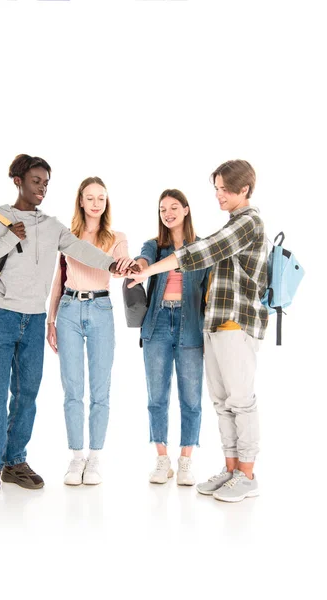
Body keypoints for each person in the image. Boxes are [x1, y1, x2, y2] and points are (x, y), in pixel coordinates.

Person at [0, 155, 123, 500]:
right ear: (18, 181)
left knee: (27, 395)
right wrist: (8, 238)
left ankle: (15, 461)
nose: (42, 189)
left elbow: (80, 249)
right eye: (36, 181)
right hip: (0, 318)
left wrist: (114, 265)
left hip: (34, 320)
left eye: (46, 183)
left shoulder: (52, 226)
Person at [127, 160, 268, 502]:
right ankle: (231, 469)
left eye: (224, 188)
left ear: (243, 189)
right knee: (221, 403)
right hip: (214, 325)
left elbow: (199, 253)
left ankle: (247, 475)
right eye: (216, 188)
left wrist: (148, 273)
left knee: (240, 401)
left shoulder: (248, 222)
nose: (218, 195)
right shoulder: (231, 223)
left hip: (237, 323)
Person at [47, 177, 137, 486]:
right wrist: (51, 320)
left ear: (106, 202)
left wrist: (125, 262)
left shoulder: (116, 236)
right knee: (72, 390)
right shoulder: (67, 236)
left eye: (101, 197)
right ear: (81, 201)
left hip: (100, 310)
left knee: (100, 390)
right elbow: (59, 279)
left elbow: (122, 258)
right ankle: (76, 458)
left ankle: (95, 457)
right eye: (90, 197)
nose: (96, 202)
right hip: (69, 311)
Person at [134, 190, 209, 485]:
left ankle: (186, 460)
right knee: (157, 397)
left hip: (191, 324)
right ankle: (162, 459)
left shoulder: (202, 247)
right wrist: (139, 267)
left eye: (174, 207)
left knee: (191, 398)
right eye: (163, 208)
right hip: (158, 323)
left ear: (186, 210)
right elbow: (144, 260)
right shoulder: (154, 245)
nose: (168, 213)